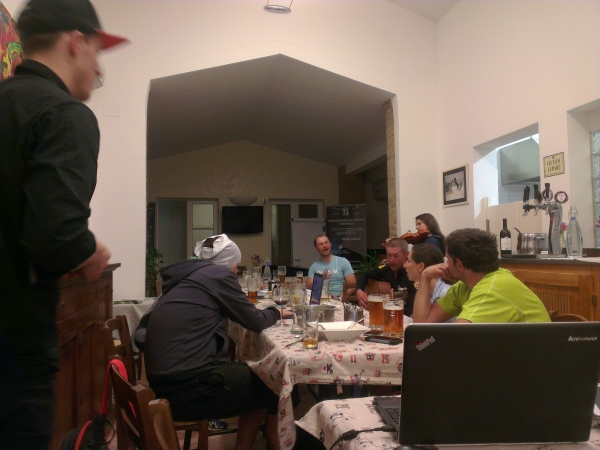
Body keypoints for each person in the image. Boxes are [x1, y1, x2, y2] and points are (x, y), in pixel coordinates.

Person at [0, 1, 126, 447]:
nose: (98, 67)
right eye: (96, 51)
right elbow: (55, 236)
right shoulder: (63, 113)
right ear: (75, 42)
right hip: (13, 343)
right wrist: (90, 251)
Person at [144, 234, 288, 450]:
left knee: (258, 373)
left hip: (164, 381)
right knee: (271, 380)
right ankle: (270, 443)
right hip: (185, 388)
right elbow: (255, 321)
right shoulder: (217, 275)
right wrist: (276, 312)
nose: (236, 271)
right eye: (235, 265)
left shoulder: (189, 277)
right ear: (226, 263)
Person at [413, 228, 551, 324]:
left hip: (537, 357)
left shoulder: (492, 289)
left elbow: (454, 338)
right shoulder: (464, 287)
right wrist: (425, 277)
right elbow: (421, 323)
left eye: (447, 259)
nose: (445, 264)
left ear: (459, 264)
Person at [355, 238, 416, 316]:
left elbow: (411, 310)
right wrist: (359, 290)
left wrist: (389, 304)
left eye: (396, 256)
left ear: (406, 254)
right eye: (389, 255)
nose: (391, 260)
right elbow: (364, 274)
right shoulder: (386, 269)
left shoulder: (412, 275)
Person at [404, 244, 455, 322]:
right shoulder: (427, 290)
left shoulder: (445, 294)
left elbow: (420, 325)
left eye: (408, 261)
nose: (404, 265)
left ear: (421, 266)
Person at [306, 235, 356, 299]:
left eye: (326, 242)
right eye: (321, 244)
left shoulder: (343, 261)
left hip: (340, 301)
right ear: (316, 248)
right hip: (321, 300)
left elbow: (352, 286)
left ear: (330, 244)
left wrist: (339, 298)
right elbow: (308, 287)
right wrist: (320, 278)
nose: (324, 245)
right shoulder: (314, 266)